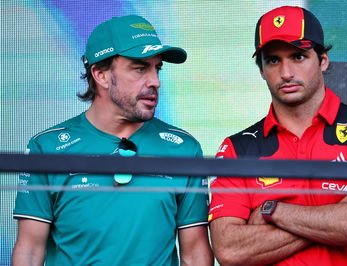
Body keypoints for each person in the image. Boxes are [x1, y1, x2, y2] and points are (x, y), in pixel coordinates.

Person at [13, 15, 213, 265]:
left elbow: (195, 255)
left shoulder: (184, 148)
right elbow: (30, 251)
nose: (155, 82)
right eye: (140, 68)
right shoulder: (47, 147)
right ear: (101, 74)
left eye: (157, 68)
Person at [208, 6, 347, 266]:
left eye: (298, 56)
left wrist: (271, 211)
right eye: (273, 60)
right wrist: (339, 217)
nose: (286, 73)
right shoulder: (237, 148)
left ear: (323, 60)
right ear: (261, 70)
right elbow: (230, 251)